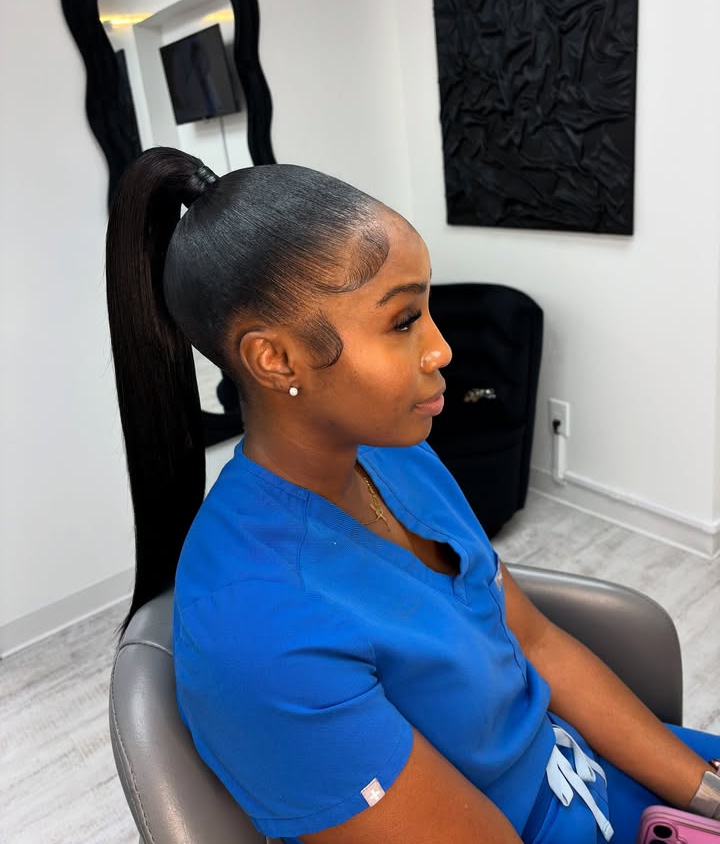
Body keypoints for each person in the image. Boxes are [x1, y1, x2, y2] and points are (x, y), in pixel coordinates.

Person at [106, 147, 720, 844]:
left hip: (587, 767)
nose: (442, 350)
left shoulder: (396, 457)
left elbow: (535, 640)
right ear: (275, 359)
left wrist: (704, 793)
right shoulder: (256, 626)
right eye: (403, 322)